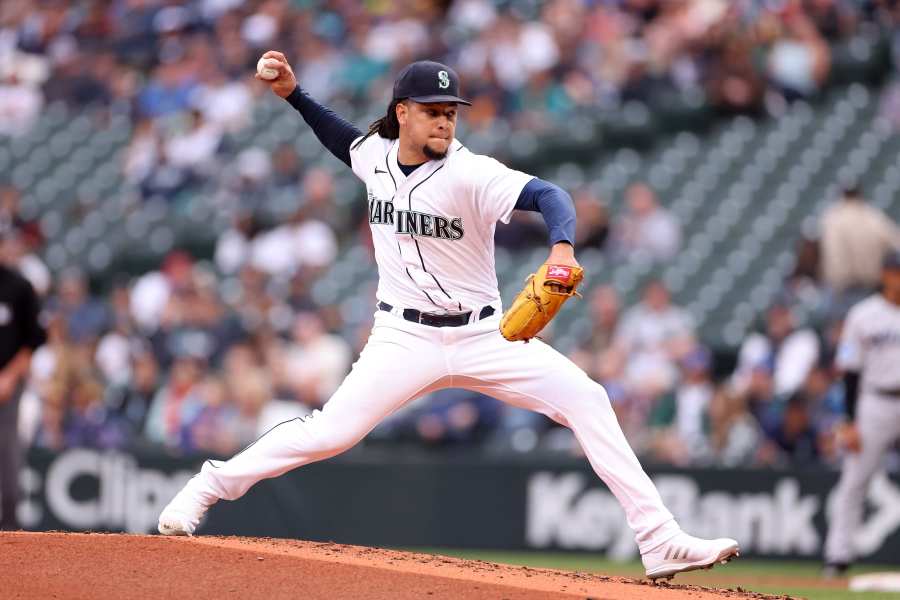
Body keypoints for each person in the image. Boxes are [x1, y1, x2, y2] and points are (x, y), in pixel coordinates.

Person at [157, 53, 739, 580]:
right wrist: (293, 93)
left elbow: (550, 195)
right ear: (402, 113)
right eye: (432, 110)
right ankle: (206, 487)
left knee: (588, 399)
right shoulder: (375, 156)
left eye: (451, 112)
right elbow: (339, 138)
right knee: (329, 433)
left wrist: (561, 246)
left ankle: (659, 539)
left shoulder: (471, 172)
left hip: (487, 333)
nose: (444, 121)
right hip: (403, 336)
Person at [823, 251, 900, 577]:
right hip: (874, 402)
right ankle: (838, 557)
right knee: (855, 480)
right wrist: (849, 421)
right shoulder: (863, 314)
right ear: (885, 274)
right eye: (896, 272)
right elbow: (850, 372)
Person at [0, 225, 47, 530]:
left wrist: (9, 376)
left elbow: (33, 339)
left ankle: (10, 525)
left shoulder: (18, 286)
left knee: (7, 448)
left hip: (7, 384)